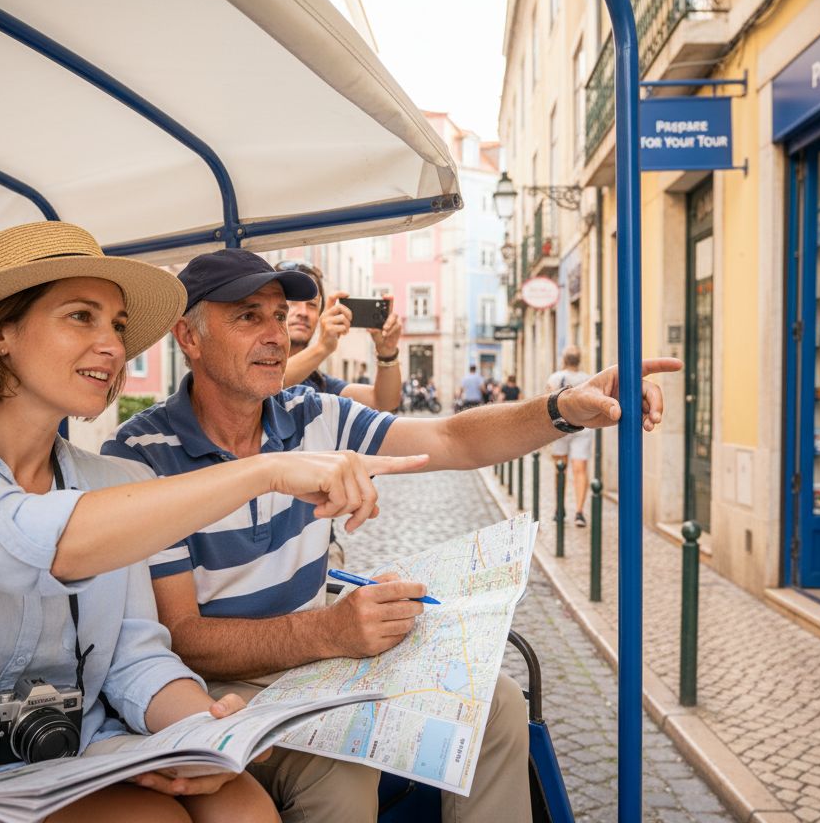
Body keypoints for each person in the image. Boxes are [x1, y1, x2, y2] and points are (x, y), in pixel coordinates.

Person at [0, 223, 425, 823]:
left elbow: (133, 655)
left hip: (66, 758)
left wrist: (207, 729)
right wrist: (266, 471)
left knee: (239, 804)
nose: (114, 346)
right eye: (80, 317)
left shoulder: (114, 482)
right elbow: (40, 540)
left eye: (118, 325)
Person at [103, 248, 681, 823]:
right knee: (343, 775)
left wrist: (565, 408)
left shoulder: (313, 415)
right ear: (190, 337)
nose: (276, 335)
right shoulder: (141, 456)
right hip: (213, 686)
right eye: (248, 316)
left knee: (495, 702)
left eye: (279, 316)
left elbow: (453, 439)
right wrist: (329, 631)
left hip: (318, 664)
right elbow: (182, 638)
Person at [275, 260, 401, 411]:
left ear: (320, 315)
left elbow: (383, 402)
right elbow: (271, 382)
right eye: (293, 301)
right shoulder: (251, 363)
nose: (303, 312)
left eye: (312, 304)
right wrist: (322, 347)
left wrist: (387, 352)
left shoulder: (320, 383)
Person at [548, 346, 593, 527]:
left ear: (564, 360)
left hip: (560, 428)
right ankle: (579, 512)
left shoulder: (555, 378)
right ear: (579, 360)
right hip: (583, 428)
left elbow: (546, 403)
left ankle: (559, 509)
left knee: (560, 468)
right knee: (579, 469)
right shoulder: (588, 379)